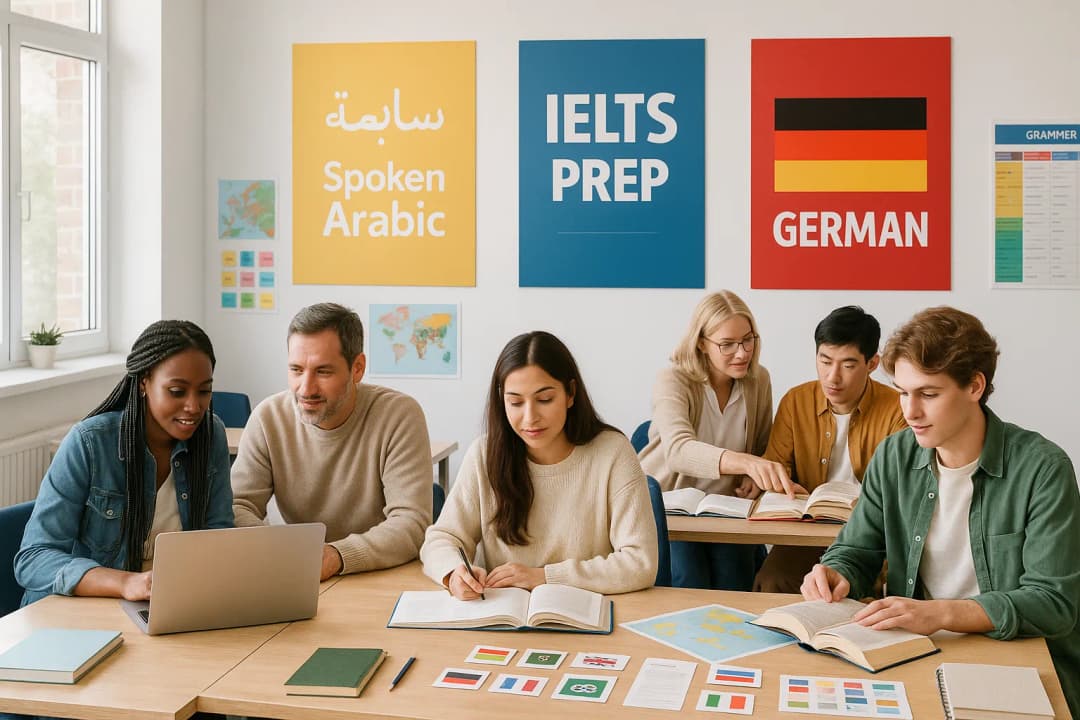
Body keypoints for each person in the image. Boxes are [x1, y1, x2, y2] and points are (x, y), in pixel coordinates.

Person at [801, 307, 1079, 718]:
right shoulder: (893, 456)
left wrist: (942, 612)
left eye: (928, 394)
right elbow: (856, 551)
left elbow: (1053, 603)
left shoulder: (1042, 468)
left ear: (975, 386)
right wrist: (836, 572)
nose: (909, 411)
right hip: (916, 652)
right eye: (901, 391)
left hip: (1017, 658)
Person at [420, 331, 656, 599]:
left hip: (585, 616)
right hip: (502, 616)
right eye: (516, 402)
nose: (530, 417)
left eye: (544, 399)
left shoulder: (612, 453)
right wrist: (454, 572)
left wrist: (545, 577)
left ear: (570, 394)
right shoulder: (484, 455)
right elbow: (440, 539)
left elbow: (641, 562)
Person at [15, 321, 234, 605]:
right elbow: (33, 559)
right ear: (144, 381)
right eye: (177, 391)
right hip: (77, 611)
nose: (194, 407)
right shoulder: (89, 443)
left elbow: (218, 535)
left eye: (204, 391)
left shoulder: (210, 435)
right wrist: (126, 582)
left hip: (164, 603)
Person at [231, 302, 431, 580]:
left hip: (379, 576)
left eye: (323, 372)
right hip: (301, 574)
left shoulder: (399, 415)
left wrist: (337, 556)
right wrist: (279, 549)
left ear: (357, 368)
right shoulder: (268, 418)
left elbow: (412, 524)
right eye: (296, 370)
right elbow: (237, 506)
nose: (306, 388)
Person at [638, 291, 796, 590]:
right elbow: (678, 451)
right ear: (701, 342)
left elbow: (762, 445)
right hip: (670, 509)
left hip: (725, 509)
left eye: (748, 340)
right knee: (689, 577)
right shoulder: (673, 379)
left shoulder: (758, 379)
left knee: (735, 578)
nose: (742, 353)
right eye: (727, 344)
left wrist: (756, 477)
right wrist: (747, 462)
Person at [753, 306, 905, 592]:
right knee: (771, 580)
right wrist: (779, 482)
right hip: (806, 532)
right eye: (824, 361)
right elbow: (777, 465)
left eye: (847, 365)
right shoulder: (796, 401)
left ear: (872, 363)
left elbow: (899, 487)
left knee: (862, 590)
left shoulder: (897, 408)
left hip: (869, 537)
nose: (832, 377)